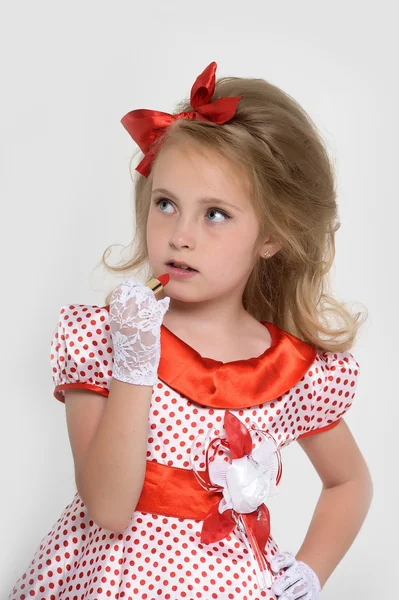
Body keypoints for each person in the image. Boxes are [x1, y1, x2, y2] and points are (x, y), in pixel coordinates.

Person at [9, 61, 373, 600]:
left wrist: (311, 571)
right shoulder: (105, 341)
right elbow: (108, 509)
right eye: (166, 204)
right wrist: (135, 362)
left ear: (271, 236)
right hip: (116, 583)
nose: (180, 236)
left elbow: (349, 482)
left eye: (216, 214)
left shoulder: (292, 368)